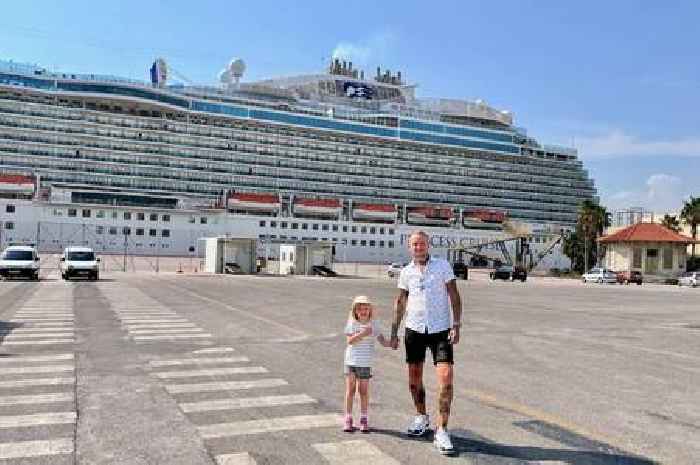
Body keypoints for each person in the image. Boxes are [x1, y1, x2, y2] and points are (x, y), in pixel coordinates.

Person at [390, 230, 462, 455]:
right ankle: (421, 416)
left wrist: (456, 324)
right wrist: (394, 331)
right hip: (414, 330)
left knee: (446, 378)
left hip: (441, 330)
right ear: (409, 248)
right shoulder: (406, 272)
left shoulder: (442, 266)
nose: (418, 247)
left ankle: (442, 430)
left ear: (428, 245)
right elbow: (400, 302)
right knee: (414, 379)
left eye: (421, 244)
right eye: (414, 245)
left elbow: (454, 295)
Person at [343, 295, 391, 433]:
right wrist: (363, 334)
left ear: (370, 310)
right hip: (351, 361)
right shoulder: (352, 322)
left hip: (365, 362)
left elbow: (382, 340)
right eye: (360, 309)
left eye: (366, 308)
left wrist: (391, 344)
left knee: (363, 391)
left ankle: (363, 418)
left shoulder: (374, 324)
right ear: (355, 311)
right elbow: (349, 341)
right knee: (350, 390)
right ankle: (348, 418)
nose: (363, 311)